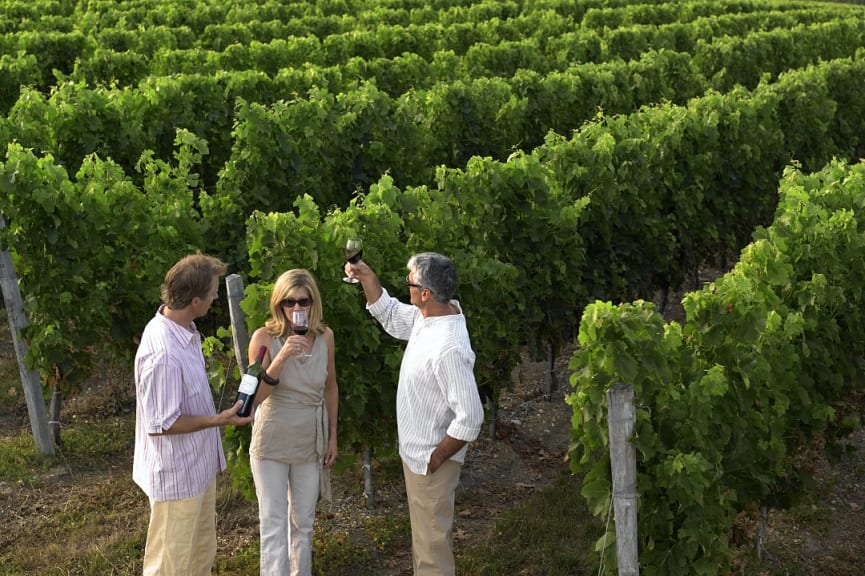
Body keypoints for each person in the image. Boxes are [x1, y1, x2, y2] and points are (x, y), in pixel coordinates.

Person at [345, 251, 484, 576]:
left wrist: (435, 458)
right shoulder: (431, 317)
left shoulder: (447, 347)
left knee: (432, 553)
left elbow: (472, 417)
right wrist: (367, 277)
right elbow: (392, 315)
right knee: (425, 545)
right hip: (419, 458)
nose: (405, 285)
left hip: (429, 463)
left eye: (409, 282)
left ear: (425, 293)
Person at [133, 252, 255, 576]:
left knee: (200, 554)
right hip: (177, 478)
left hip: (196, 468)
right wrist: (220, 419)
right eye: (213, 292)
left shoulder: (184, 332)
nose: (217, 297)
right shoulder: (164, 353)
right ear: (195, 300)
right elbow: (163, 423)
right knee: (170, 565)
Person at [246, 268, 339, 576]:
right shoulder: (264, 338)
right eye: (289, 302)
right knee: (273, 523)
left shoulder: (325, 337)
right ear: (278, 305)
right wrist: (282, 355)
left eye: (304, 301)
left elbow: (330, 387)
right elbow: (254, 397)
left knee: (305, 522)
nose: (297, 309)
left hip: (309, 439)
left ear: (314, 303)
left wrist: (332, 437)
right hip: (272, 439)